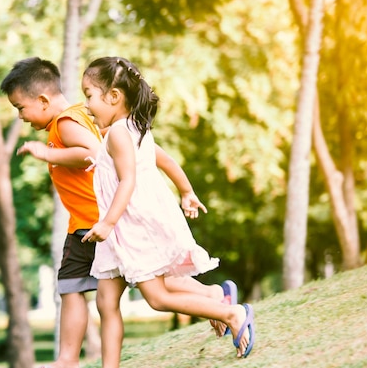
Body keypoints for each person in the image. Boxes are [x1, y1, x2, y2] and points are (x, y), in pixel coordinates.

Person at [0, 57, 238, 368]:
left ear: (43, 100)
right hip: (99, 221)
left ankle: (68, 359)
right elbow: (154, 154)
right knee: (138, 285)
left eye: (20, 107)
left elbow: (91, 153)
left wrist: (48, 153)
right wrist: (185, 189)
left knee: (76, 287)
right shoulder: (100, 121)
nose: (20, 116)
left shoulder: (66, 124)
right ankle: (211, 298)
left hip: (97, 222)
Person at [80, 56, 255, 367]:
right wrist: (187, 192)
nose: (87, 105)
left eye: (89, 95)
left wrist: (107, 223)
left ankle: (230, 312)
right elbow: (168, 162)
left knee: (158, 297)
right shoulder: (133, 128)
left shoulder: (119, 133)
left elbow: (129, 180)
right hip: (122, 228)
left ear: (114, 97)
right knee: (106, 301)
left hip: (129, 226)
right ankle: (214, 297)